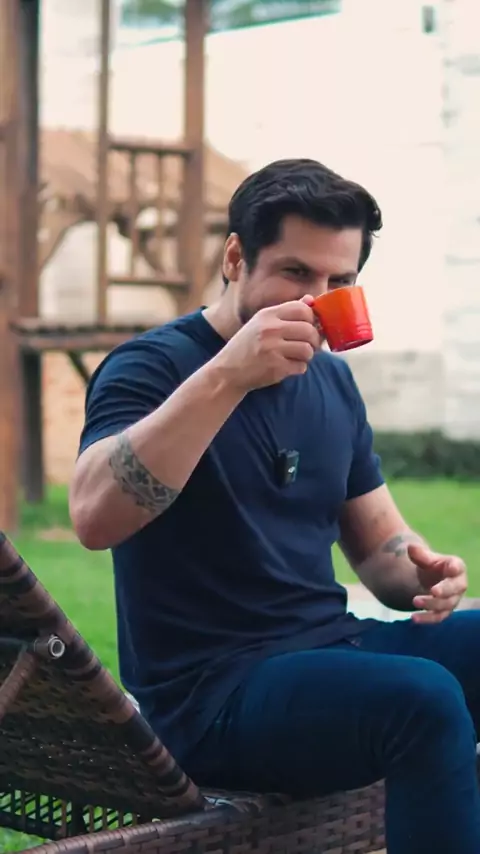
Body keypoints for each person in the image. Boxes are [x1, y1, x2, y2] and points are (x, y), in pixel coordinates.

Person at [70, 158, 480, 854]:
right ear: (235, 258)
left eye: (338, 283)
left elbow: (381, 549)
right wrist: (228, 375)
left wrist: (424, 572)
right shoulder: (153, 367)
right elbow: (93, 517)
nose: (316, 300)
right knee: (423, 699)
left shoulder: (332, 383)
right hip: (209, 696)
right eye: (295, 273)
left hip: (328, 649)